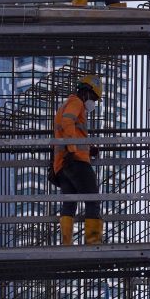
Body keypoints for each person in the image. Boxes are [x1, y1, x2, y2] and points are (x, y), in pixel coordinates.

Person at [53, 73, 103, 246]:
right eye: (94, 98)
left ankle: (66, 242)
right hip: (75, 162)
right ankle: (93, 241)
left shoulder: (65, 104)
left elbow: (71, 131)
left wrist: (87, 150)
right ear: (86, 92)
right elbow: (68, 124)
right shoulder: (76, 102)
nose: (93, 103)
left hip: (63, 164)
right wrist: (73, 150)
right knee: (92, 199)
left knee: (69, 203)